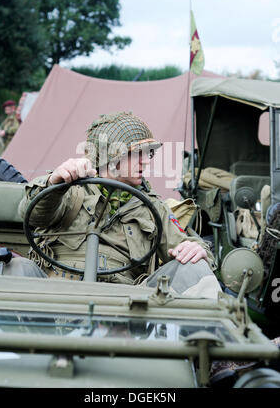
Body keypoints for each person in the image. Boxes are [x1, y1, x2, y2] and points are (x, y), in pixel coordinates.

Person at [16, 112, 221, 298]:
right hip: (54, 293)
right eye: (137, 153)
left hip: (126, 302)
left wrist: (196, 249)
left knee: (195, 267)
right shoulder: (70, 189)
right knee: (15, 266)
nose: (145, 162)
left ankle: (207, 338)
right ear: (111, 158)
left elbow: (186, 246)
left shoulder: (152, 206)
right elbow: (31, 214)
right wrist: (55, 182)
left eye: (147, 153)